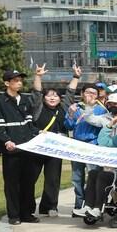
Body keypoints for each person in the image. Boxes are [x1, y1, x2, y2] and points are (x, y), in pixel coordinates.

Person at [0, 68, 42, 225]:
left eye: (20, 80)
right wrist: (7, 141)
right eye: (15, 80)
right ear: (7, 83)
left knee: (28, 182)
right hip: (12, 150)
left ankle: (27, 213)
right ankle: (14, 215)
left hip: (28, 149)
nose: (19, 83)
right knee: (12, 184)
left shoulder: (25, 100)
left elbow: (29, 124)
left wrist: (39, 132)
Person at [30, 65, 80, 216]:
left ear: (60, 98)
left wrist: (76, 77)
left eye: (56, 96)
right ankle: (26, 206)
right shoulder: (38, 107)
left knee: (53, 179)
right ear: (44, 98)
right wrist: (38, 76)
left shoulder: (63, 108)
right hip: (37, 146)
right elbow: (36, 92)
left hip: (55, 149)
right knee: (30, 177)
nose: (52, 98)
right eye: (49, 95)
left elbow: (70, 93)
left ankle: (50, 206)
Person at [66, 74, 109, 217]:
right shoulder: (75, 107)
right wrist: (71, 115)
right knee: (77, 178)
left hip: (93, 145)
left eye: (94, 93)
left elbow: (104, 128)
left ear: (97, 96)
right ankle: (79, 204)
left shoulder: (101, 110)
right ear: (82, 94)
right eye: (87, 92)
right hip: (77, 145)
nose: (90, 95)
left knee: (93, 176)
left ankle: (93, 205)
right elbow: (68, 125)